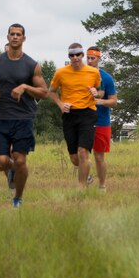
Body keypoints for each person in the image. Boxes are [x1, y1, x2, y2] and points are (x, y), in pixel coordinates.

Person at [0, 23, 48, 208]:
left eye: (19, 34)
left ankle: (17, 198)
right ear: (8, 37)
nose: (15, 37)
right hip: (1, 117)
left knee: (20, 160)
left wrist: (25, 87)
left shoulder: (32, 65)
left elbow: (44, 92)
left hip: (23, 119)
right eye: (12, 34)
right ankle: (11, 171)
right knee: (1, 162)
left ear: (24, 38)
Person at [48, 43, 101, 188]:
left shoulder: (93, 72)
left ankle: (81, 187)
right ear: (69, 56)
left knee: (83, 152)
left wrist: (96, 93)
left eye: (78, 54)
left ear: (82, 55)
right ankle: (87, 174)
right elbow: (51, 91)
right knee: (74, 157)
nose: (75, 58)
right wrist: (60, 104)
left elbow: (98, 89)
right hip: (69, 114)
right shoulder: (61, 73)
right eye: (72, 55)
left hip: (88, 113)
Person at [86, 46, 117, 192]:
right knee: (79, 154)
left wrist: (101, 102)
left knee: (99, 157)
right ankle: (86, 177)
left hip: (101, 122)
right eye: (88, 58)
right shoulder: (81, 75)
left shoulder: (106, 78)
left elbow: (113, 101)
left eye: (93, 58)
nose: (90, 61)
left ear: (99, 59)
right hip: (83, 121)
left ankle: (102, 186)